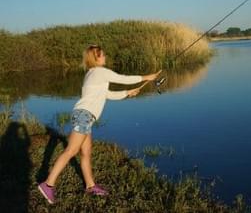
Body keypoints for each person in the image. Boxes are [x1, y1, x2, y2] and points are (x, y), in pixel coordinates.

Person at [38, 44, 161, 204]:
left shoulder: (91, 74)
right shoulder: (100, 72)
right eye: (102, 55)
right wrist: (146, 77)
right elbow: (122, 79)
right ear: (95, 58)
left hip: (85, 117)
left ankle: (90, 186)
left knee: (86, 153)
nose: (105, 57)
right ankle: (48, 184)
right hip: (83, 116)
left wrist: (126, 93)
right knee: (71, 150)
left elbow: (107, 94)